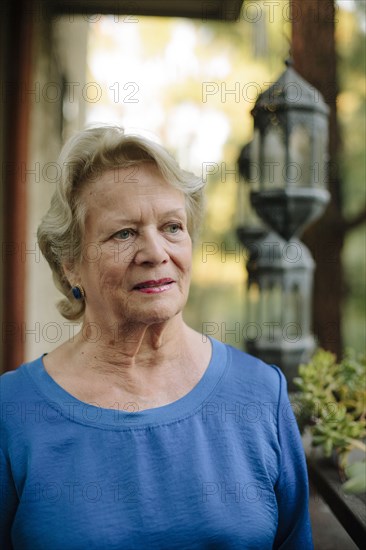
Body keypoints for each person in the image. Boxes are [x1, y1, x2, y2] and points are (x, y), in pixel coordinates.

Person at [0, 125, 313, 549]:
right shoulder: (12, 411)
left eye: (171, 227)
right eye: (123, 233)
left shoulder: (261, 394)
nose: (155, 252)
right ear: (69, 264)